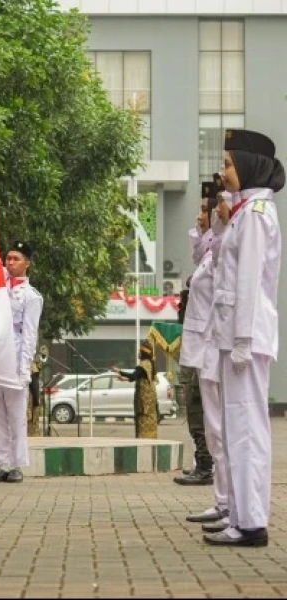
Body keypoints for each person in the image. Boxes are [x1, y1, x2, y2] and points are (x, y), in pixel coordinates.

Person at [203, 129, 285, 547]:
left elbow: (251, 283)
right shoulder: (243, 213)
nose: (224, 170)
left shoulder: (255, 217)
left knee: (246, 428)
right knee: (236, 428)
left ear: (250, 165)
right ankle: (239, 514)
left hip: (245, 339)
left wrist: (241, 339)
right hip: (234, 335)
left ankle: (251, 523)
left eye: (230, 163)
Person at [179, 181, 231, 521]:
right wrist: (201, 232)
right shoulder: (213, 247)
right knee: (214, 428)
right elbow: (201, 257)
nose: (202, 215)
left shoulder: (230, 240)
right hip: (203, 346)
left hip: (215, 345)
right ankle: (224, 502)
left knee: (221, 427)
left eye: (206, 208)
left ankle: (230, 505)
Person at [0, 241, 43, 483]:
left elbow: (29, 335)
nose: (10, 262)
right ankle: (2, 463)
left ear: (27, 263)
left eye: (16, 258)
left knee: (16, 414)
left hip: (14, 356)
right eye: (7, 258)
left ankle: (17, 464)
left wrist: (24, 368)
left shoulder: (31, 296)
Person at [174, 185, 218, 487]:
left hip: (207, 343)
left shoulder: (218, 253)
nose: (199, 216)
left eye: (204, 210)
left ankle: (206, 464)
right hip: (195, 341)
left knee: (199, 404)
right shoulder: (207, 252)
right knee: (193, 403)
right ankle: (203, 462)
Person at [112, 340, 158, 439]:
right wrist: (125, 379)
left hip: (144, 403)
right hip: (150, 402)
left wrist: (119, 371)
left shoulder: (143, 365)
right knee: (151, 426)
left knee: (143, 426)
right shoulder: (150, 364)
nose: (138, 353)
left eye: (140, 351)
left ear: (143, 353)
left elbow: (133, 375)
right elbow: (138, 377)